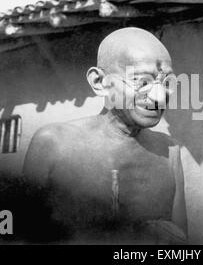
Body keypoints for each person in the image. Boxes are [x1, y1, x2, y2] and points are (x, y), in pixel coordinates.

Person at [23, 27, 187, 244]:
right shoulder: (53, 143)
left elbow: (183, 244)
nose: (159, 97)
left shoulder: (169, 152)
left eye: (167, 83)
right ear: (100, 83)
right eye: (142, 81)